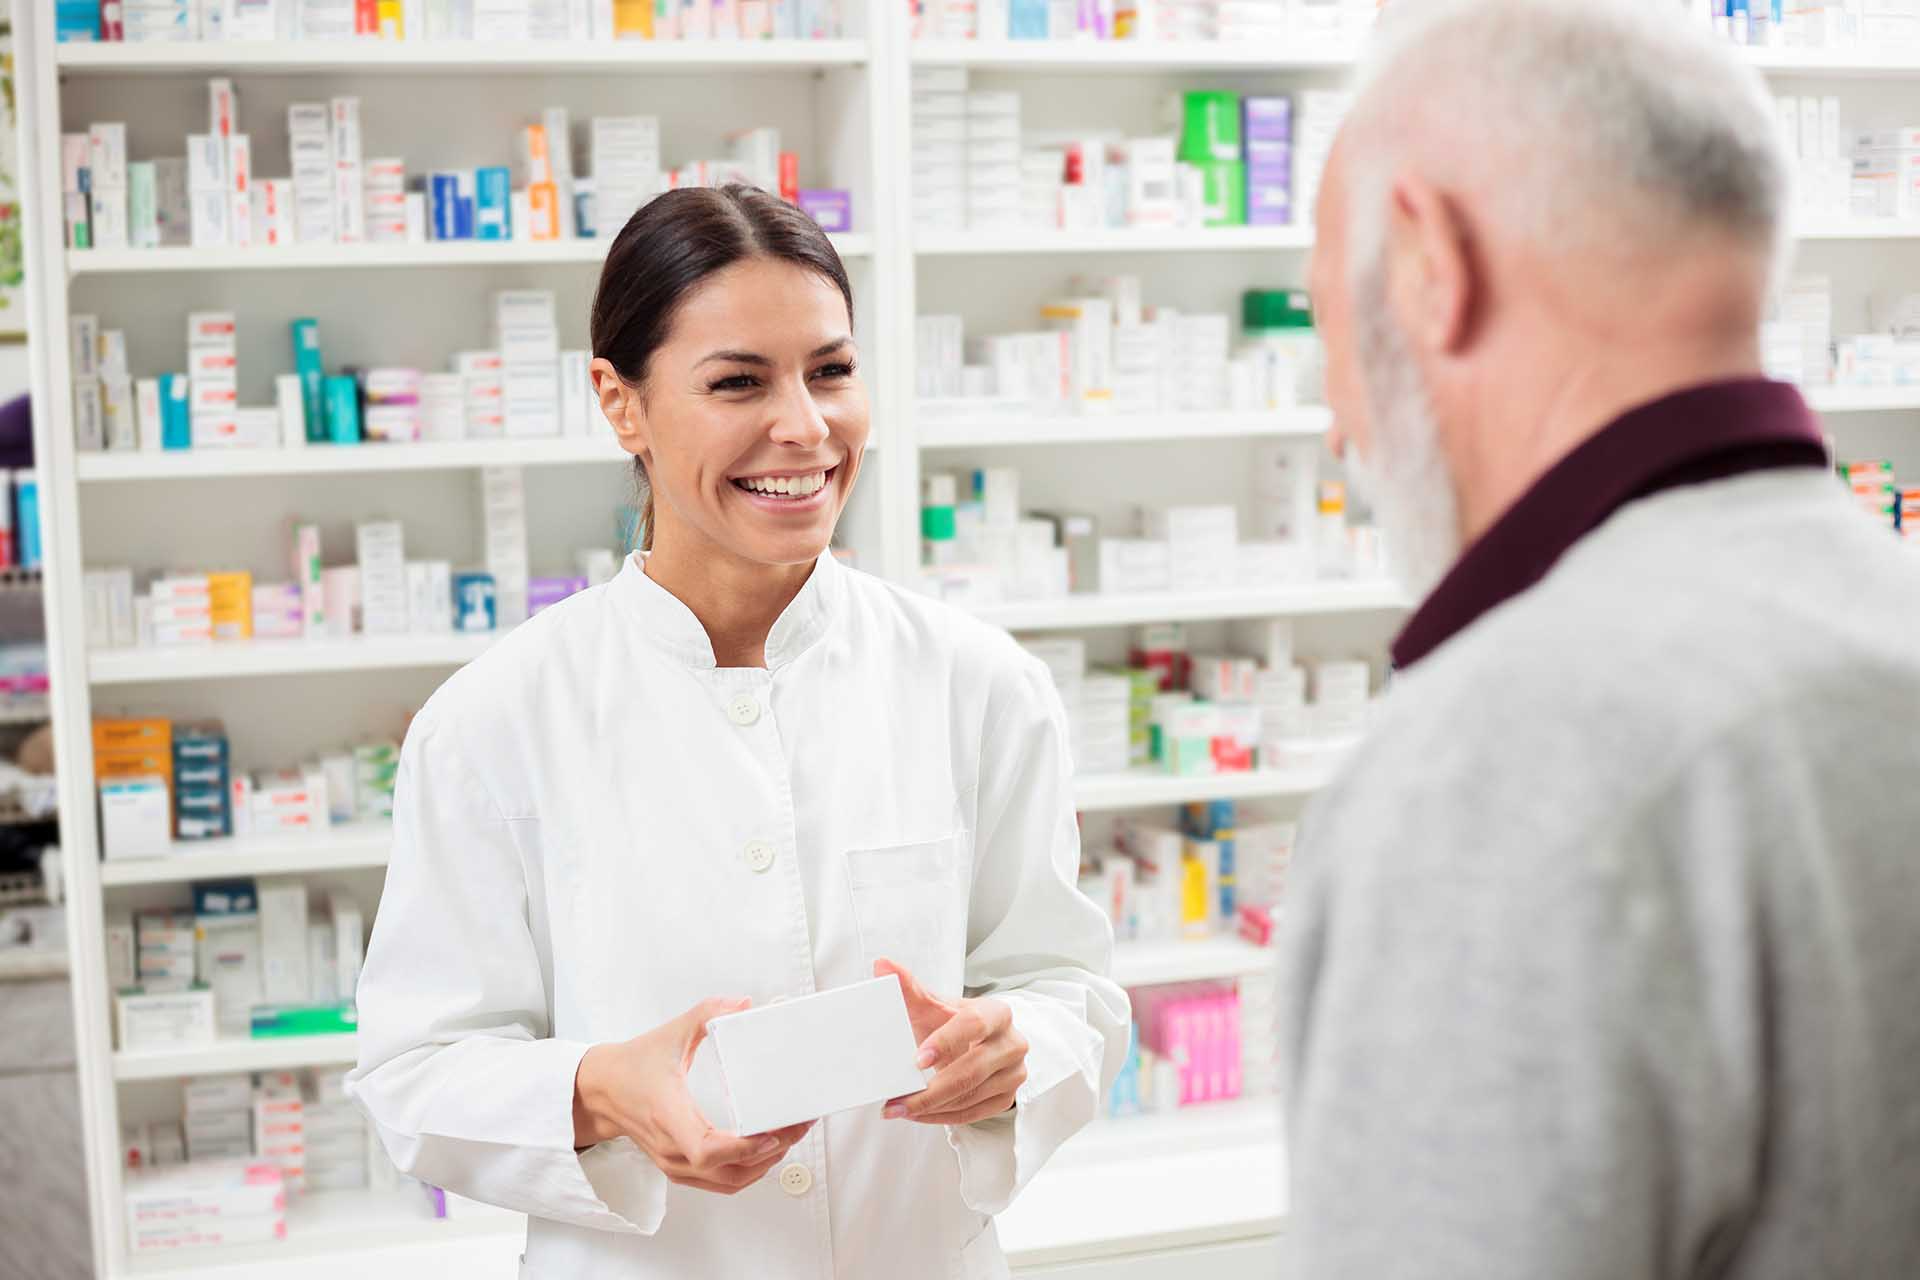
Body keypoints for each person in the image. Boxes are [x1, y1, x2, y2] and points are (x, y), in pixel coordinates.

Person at [347, 185, 1129, 1280]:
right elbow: (414, 1070)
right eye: (737, 382)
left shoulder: (980, 685)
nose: (805, 426)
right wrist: (599, 1087)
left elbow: (1071, 988)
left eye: (832, 370)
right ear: (621, 404)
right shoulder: (494, 720)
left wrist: (1017, 1049)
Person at [1277, 1, 1920, 1277]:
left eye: (1327, 325)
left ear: (1427, 264)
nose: (1339, 414)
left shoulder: (1504, 764)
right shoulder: (1885, 617)